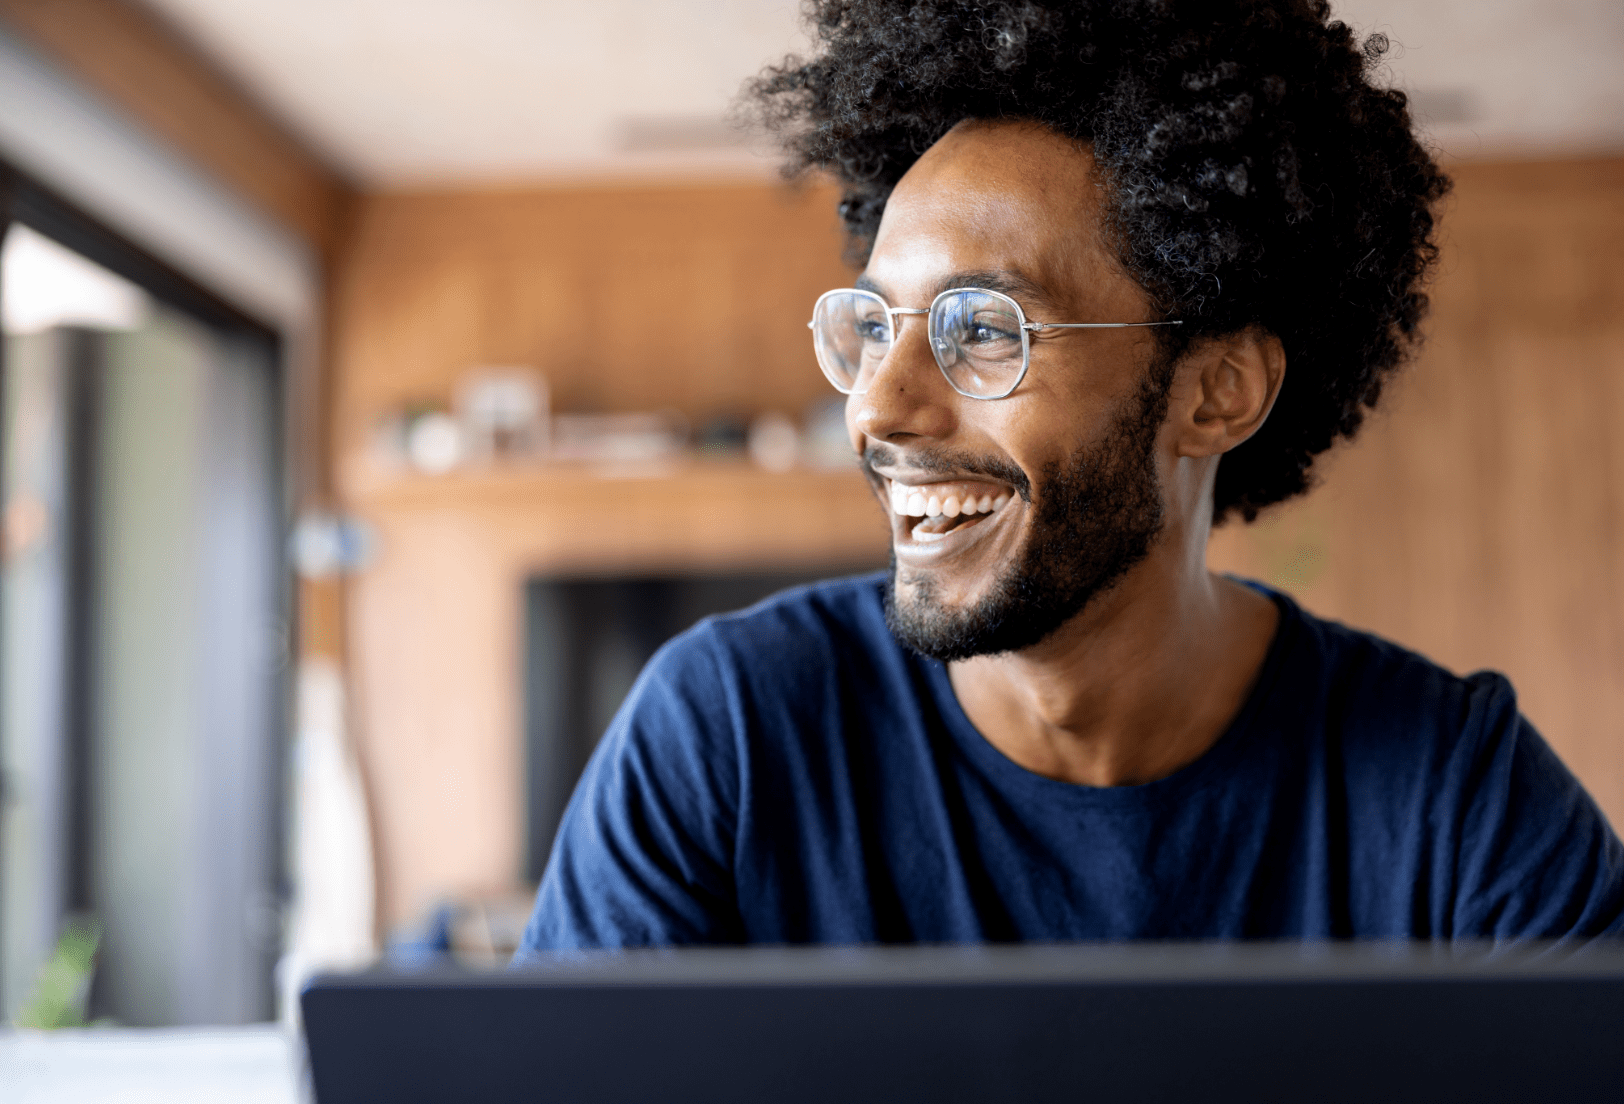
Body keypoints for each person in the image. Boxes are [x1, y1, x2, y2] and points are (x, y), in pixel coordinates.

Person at [518, 0, 1623, 951]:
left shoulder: (1452, 791)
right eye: (874, 324)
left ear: (1215, 392)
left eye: (985, 328)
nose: (878, 407)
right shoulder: (729, 733)